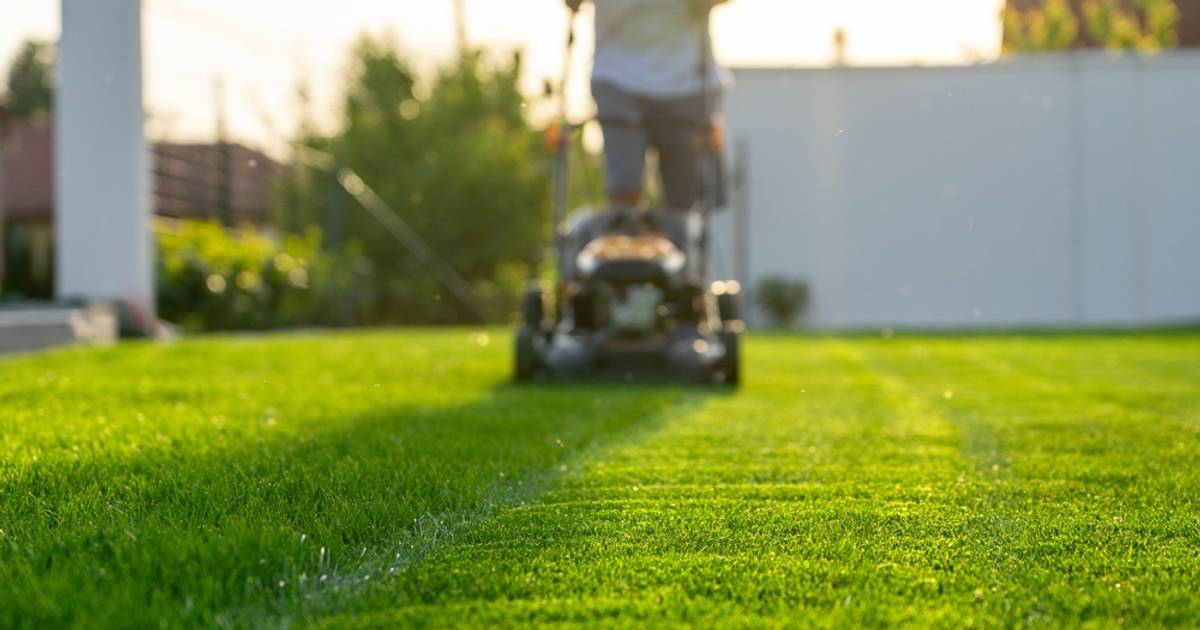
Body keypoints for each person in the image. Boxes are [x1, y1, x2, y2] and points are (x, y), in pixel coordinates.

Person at [566, 0, 729, 211]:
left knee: (684, 204)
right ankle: (621, 233)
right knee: (623, 196)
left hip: (687, 84)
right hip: (618, 81)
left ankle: (678, 235)